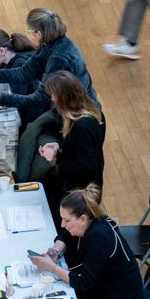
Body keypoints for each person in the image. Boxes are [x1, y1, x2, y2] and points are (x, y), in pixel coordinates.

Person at [0, 8, 96, 124]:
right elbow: (23, 73)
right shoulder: (49, 45)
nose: (29, 34)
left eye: (30, 31)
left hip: (77, 115)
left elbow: (40, 99)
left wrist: (1, 98)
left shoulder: (58, 59)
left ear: (39, 33)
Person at [36, 70, 107, 208]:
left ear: (64, 98)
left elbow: (86, 169)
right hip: (79, 191)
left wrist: (56, 157)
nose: (52, 99)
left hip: (80, 197)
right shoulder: (88, 113)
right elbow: (80, 151)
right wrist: (60, 148)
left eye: (54, 95)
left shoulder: (81, 127)